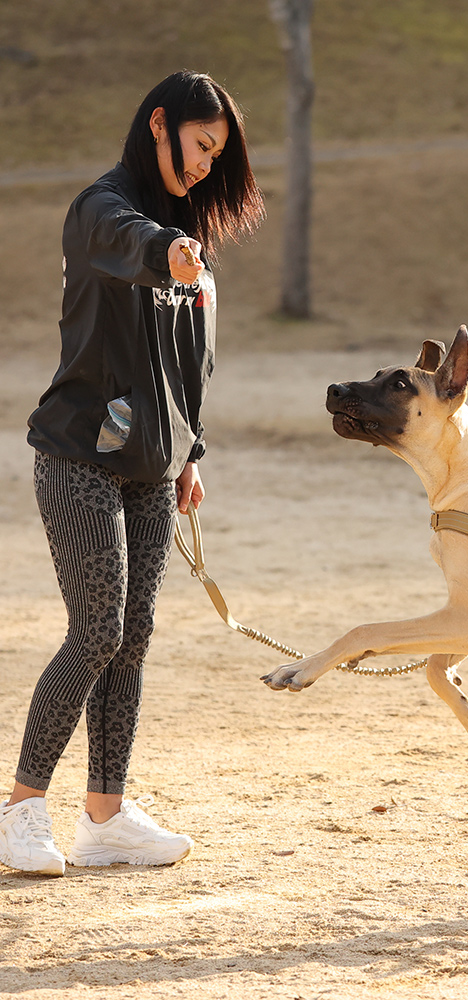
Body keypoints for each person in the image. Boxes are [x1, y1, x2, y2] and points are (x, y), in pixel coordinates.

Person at [0, 71, 265, 875]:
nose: (206, 165)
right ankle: (19, 811)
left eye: (218, 155)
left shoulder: (194, 238)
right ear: (160, 125)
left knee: (135, 635)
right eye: (200, 145)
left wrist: (192, 452)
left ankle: (106, 818)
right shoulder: (102, 209)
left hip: (153, 464)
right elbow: (129, 240)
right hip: (79, 453)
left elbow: (193, 361)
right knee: (98, 630)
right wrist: (169, 250)